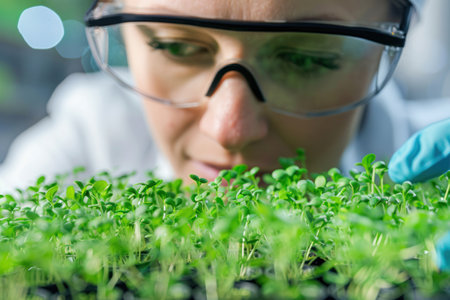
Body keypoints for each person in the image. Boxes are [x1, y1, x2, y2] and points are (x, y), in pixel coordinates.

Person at [0, 0, 449, 193]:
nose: (229, 130)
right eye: (176, 47)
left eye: (307, 59)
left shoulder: (434, 174)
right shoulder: (86, 145)